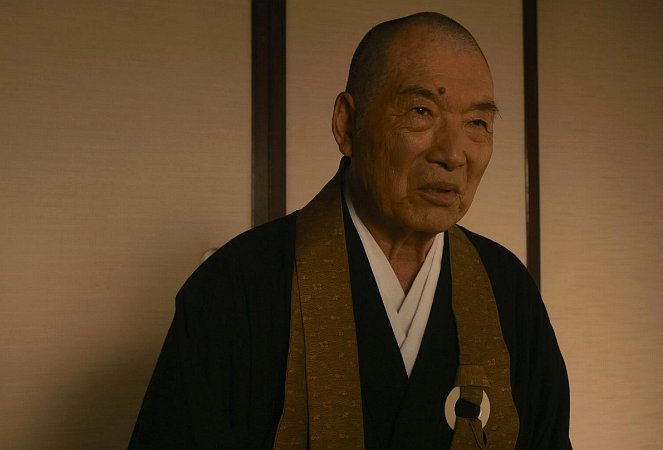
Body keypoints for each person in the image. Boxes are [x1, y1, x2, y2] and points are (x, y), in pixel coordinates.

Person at [129, 12, 571, 450]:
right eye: (422, 112)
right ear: (347, 124)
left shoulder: (506, 289)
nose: (453, 154)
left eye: (477, 123)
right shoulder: (238, 285)